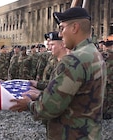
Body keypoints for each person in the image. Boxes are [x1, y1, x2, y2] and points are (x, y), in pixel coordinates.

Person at [10, 7, 106, 139]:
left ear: (74, 28)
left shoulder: (74, 60)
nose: (60, 34)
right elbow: (75, 97)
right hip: (89, 133)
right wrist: (39, 96)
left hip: (71, 134)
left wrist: (28, 104)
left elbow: (49, 108)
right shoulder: (94, 53)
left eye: (62, 28)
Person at [102, 40, 113, 119]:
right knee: (110, 95)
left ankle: (104, 112)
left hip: (105, 78)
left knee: (105, 95)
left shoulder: (102, 55)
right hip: (110, 78)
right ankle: (109, 112)